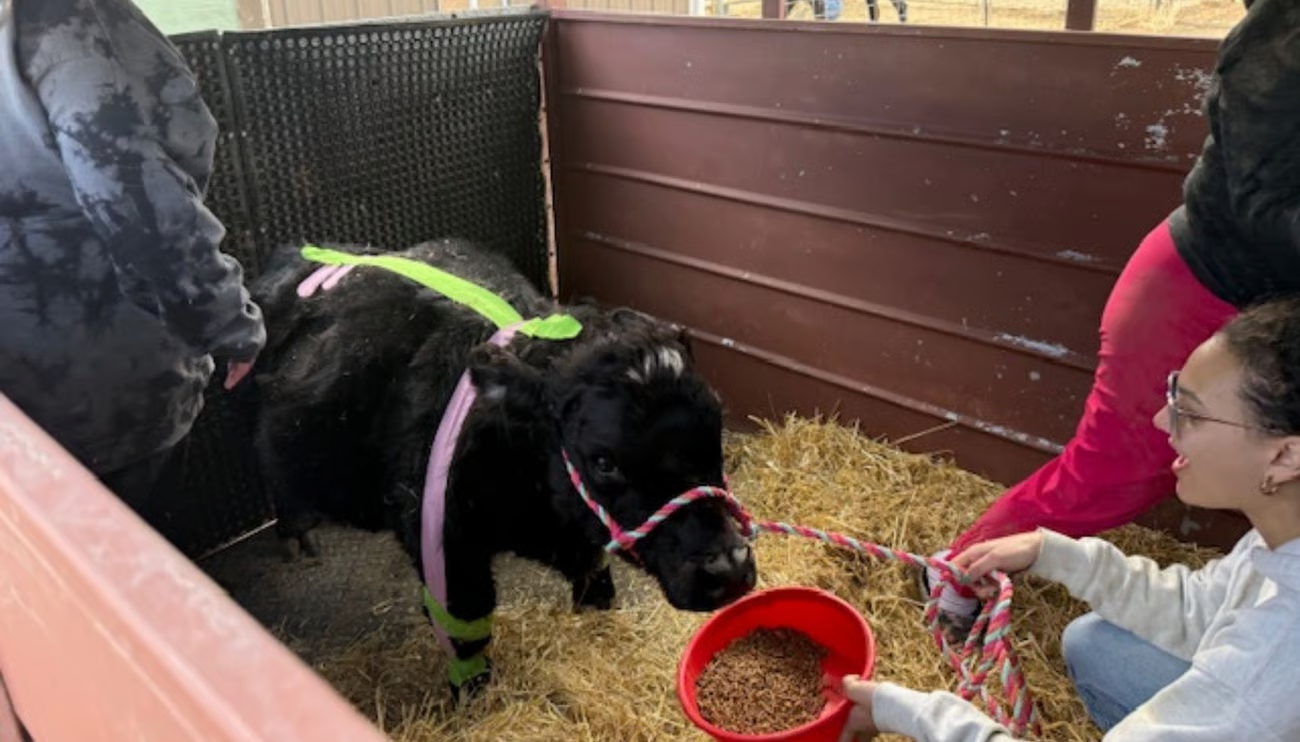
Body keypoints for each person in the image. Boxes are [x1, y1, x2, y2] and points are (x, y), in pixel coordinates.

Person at [926, 0, 1300, 638]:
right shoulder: (1282, 40)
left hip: (1271, 303)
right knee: (1116, 470)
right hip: (1205, 283)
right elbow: (1261, 195)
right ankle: (960, 573)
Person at [840, 296, 1300, 740]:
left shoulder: (1269, 664)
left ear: (1285, 455)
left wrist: (920, 716)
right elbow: (1197, 607)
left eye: (1191, 413)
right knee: (1094, 642)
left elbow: (1253, 686)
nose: (1162, 420)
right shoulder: (1280, 530)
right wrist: (1049, 552)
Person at [0, 0, 265, 513]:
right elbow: (140, 208)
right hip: (100, 381)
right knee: (125, 542)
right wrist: (230, 326)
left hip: (22, 396)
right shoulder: (74, 24)